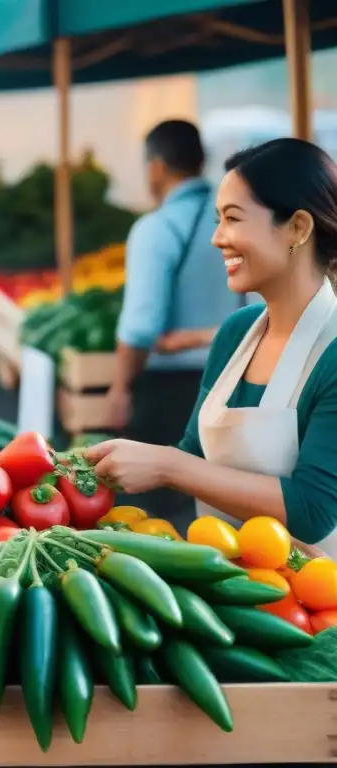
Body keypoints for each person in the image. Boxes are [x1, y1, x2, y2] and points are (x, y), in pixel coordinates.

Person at [87, 138, 337, 554]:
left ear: (298, 228)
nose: (216, 238)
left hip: (314, 604)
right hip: (225, 588)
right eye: (218, 219)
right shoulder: (237, 332)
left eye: (232, 219)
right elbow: (195, 454)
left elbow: (313, 511)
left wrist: (168, 467)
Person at [105, 120, 243, 520]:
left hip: (170, 392)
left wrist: (119, 389)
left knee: (156, 510)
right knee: (214, 505)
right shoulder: (235, 220)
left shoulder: (156, 228)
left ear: (157, 167)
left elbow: (141, 325)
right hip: (234, 378)